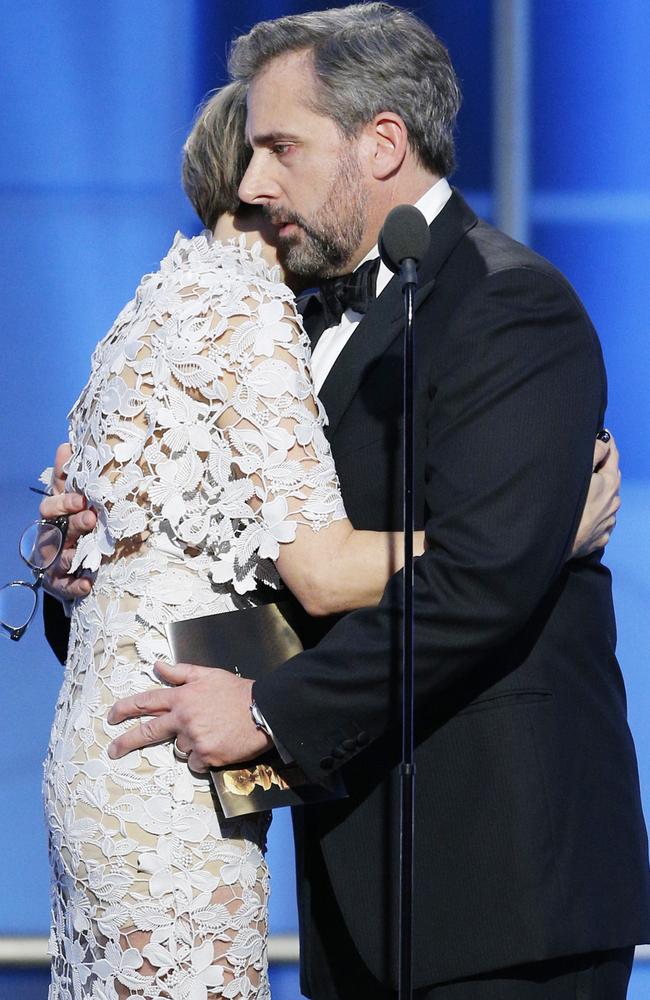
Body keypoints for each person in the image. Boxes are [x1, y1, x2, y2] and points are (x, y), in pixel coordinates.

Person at [38, 7, 640, 1000]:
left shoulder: (508, 305)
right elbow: (257, 570)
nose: (253, 180)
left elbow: (475, 586)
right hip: (354, 892)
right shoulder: (270, 319)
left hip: (498, 893)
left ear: (383, 143)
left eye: (281, 146)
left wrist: (270, 710)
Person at [37, 80, 443, 1000]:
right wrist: (516, 535)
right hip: (171, 766)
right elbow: (325, 570)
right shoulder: (244, 311)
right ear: (264, 179)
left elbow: (94, 544)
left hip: (103, 752)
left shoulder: (154, 300)